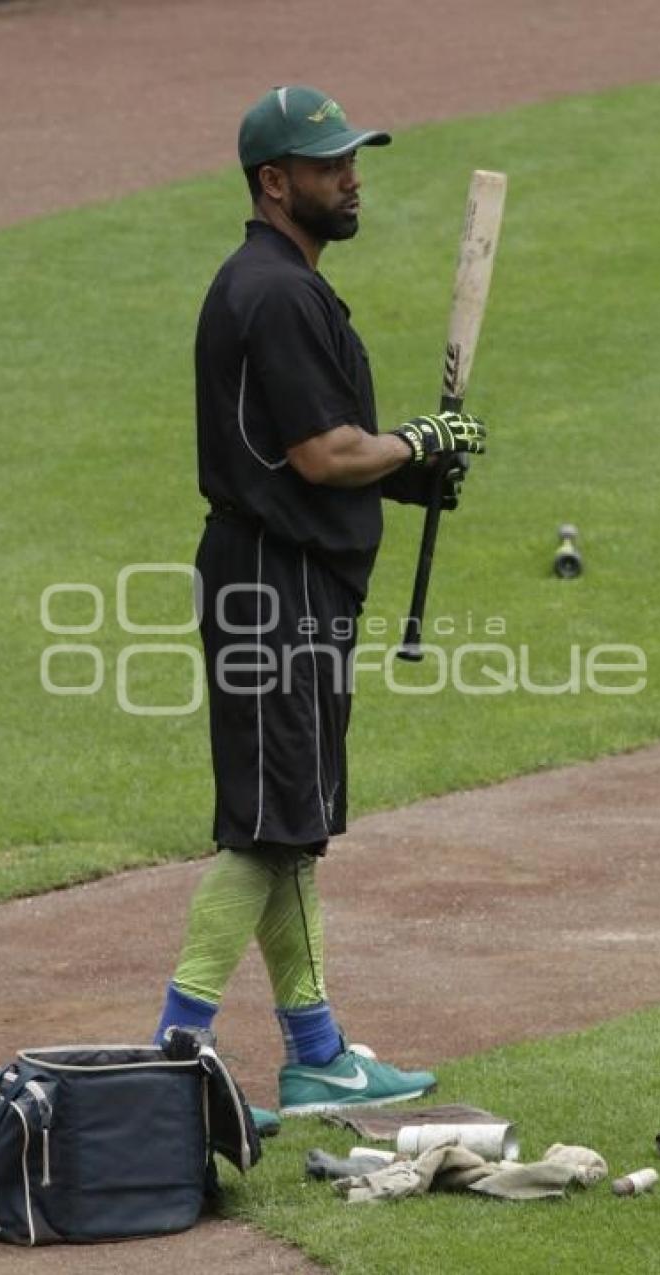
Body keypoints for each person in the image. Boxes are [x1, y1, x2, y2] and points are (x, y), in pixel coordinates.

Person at [154, 86, 486, 1126]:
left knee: (288, 825)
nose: (351, 177)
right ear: (273, 181)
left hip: (284, 577)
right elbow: (322, 453)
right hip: (273, 589)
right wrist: (415, 446)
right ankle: (172, 1061)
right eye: (329, 163)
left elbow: (317, 456)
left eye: (352, 158)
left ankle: (318, 1054)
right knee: (265, 831)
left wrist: (406, 468)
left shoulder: (278, 286)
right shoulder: (277, 293)